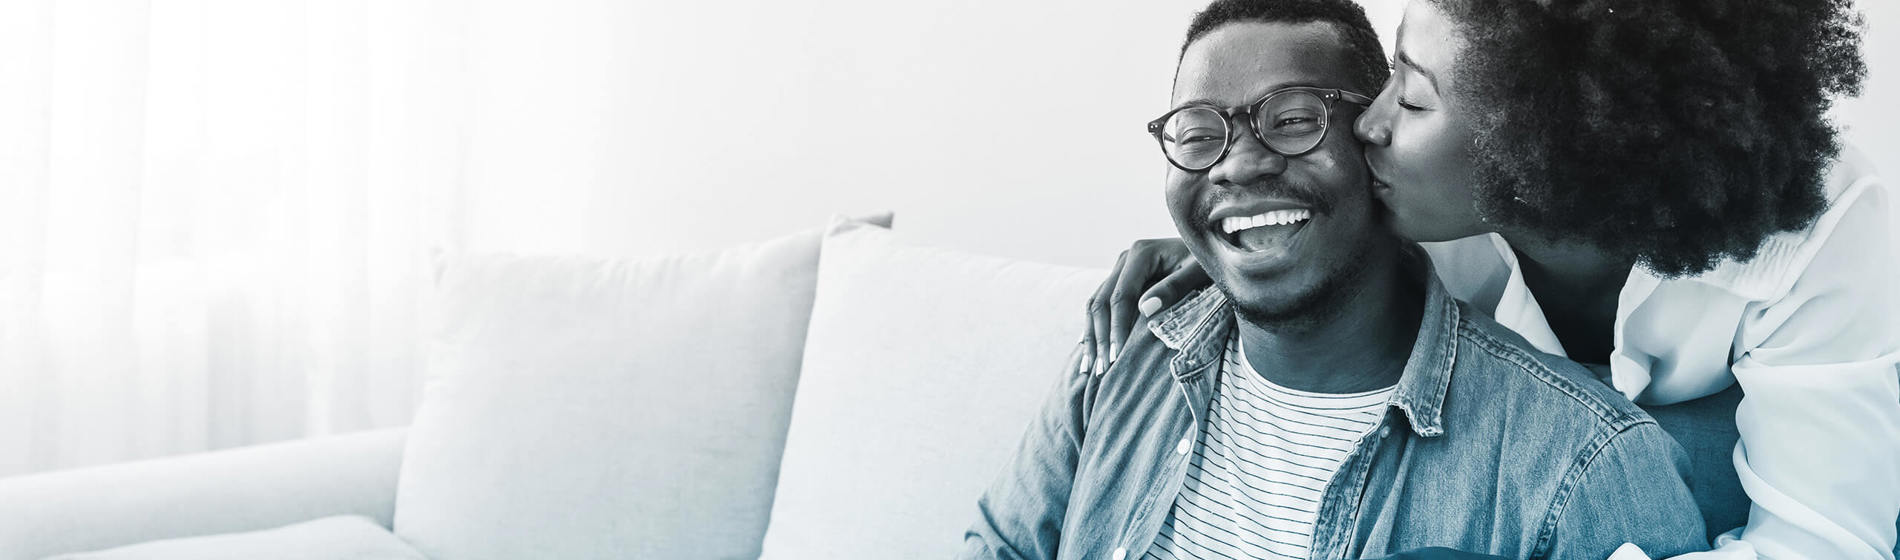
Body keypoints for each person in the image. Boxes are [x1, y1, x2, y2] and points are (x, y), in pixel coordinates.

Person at [1077, 0, 1900, 558]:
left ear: (1545, 151)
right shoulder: (1416, 212)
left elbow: (1823, 542)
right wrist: (1230, 249)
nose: (1369, 119)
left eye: (1415, 97)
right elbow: (1288, 223)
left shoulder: (1820, 229)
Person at [960, 1, 1707, 558]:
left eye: (1292, 120)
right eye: (1197, 132)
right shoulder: (1125, 353)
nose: (1237, 164)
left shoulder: (1581, 459)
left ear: (1377, 140)